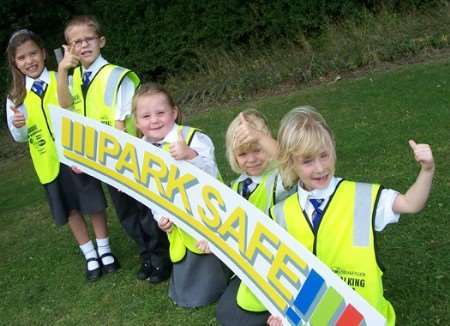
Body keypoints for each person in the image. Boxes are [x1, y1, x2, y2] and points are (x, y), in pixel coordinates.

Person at [268, 106, 434, 326]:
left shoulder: (363, 196)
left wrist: (427, 171)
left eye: (324, 155)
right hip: (310, 318)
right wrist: (281, 314)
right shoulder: (279, 214)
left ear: (333, 149)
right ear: (291, 162)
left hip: (363, 319)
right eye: (307, 161)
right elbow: (275, 271)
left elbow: (411, 204)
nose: (320, 167)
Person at [56, 15, 166, 282]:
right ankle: (146, 255)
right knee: (125, 212)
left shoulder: (117, 76)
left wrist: (118, 161)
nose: (83, 46)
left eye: (88, 39)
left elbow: (122, 122)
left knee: (143, 208)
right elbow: (66, 108)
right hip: (102, 160)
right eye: (76, 42)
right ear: (68, 48)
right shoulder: (75, 78)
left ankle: (160, 256)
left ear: (101, 41)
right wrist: (62, 70)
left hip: (126, 156)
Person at [5, 29, 118, 282]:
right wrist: (19, 125)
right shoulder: (15, 97)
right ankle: (89, 253)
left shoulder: (64, 78)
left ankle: (104, 248)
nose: (29, 61)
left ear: (44, 54)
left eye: (33, 53)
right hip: (48, 163)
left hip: (76, 156)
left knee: (92, 202)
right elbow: (20, 137)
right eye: (22, 58)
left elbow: (77, 110)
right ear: (15, 63)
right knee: (70, 210)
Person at [133, 82, 230, 307]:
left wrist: (190, 155)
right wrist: (160, 218)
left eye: (160, 113)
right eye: (146, 116)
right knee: (186, 275)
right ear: (137, 122)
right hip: (178, 225)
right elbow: (150, 191)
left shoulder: (193, 138)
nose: (154, 120)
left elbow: (212, 173)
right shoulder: (139, 149)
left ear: (174, 112)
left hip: (209, 216)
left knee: (213, 263)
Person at [216, 109, 293, 326]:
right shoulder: (236, 186)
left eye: (257, 149)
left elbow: (291, 160)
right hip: (253, 263)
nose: (251, 159)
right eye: (242, 154)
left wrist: (260, 136)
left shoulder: (282, 178)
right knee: (227, 314)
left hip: (284, 263)